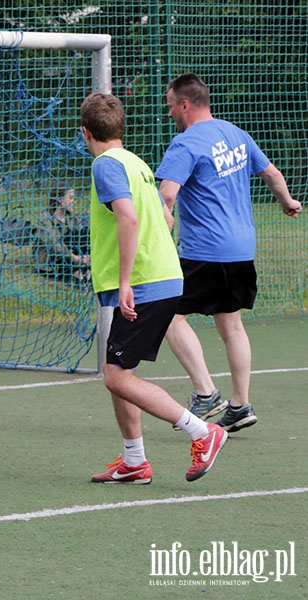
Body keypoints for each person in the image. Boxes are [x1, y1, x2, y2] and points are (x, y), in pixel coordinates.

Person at [81, 92, 227, 484]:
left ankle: (203, 431)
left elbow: (128, 220)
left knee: (116, 376)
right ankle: (134, 462)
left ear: (85, 132)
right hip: (159, 276)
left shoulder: (105, 165)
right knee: (119, 369)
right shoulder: (137, 163)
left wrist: (128, 280)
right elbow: (166, 219)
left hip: (144, 283)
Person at [155, 73, 301, 433]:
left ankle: (206, 393)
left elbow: (167, 195)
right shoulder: (236, 134)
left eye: (171, 103)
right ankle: (240, 404)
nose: (168, 110)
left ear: (185, 104)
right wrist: (288, 202)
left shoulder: (185, 143)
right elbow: (272, 173)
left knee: (171, 317)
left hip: (205, 249)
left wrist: (157, 232)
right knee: (230, 323)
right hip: (241, 248)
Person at [32, 185, 90, 285]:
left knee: (85, 232)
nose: (74, 201)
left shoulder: (71, 217)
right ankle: (77, 273)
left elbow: (81, 238)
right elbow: (55, 246)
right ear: (60, 199)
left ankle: (84, 270)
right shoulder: (45, 220)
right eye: (71, 198)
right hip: (50, 262)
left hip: (70, 255)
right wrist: (75, 258)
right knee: (68, 240)